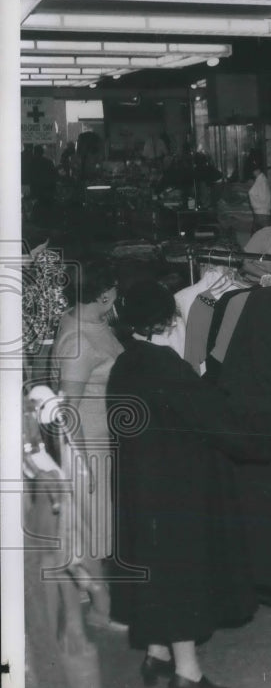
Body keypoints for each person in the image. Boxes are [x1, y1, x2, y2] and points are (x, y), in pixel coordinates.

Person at [107, 280, 271, 688]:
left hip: (142, 488)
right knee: (180, 575)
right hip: (176, 491)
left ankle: (156, 654)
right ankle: (187, 674)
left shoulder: (127, 363)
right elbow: (218, 423)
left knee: (155, 571)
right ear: (169, 320)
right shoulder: (167, 367)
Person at [50, 255, 124, 631]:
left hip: (102, 441)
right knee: (95, 529)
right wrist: (81, 465)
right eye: (113, 286)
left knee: (92, 527)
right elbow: (68, 411)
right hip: (88, 446)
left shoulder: (91, 320)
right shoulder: (79, 338)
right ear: (105, 292)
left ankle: (86, 595)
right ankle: (101, 610)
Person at [247, 151, 271, 230]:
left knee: (262, 239)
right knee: (256, 240)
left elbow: (263, 198)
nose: (252, 172)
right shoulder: (259, 180)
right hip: (259, 215)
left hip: (262, 216)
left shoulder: (262, 181)